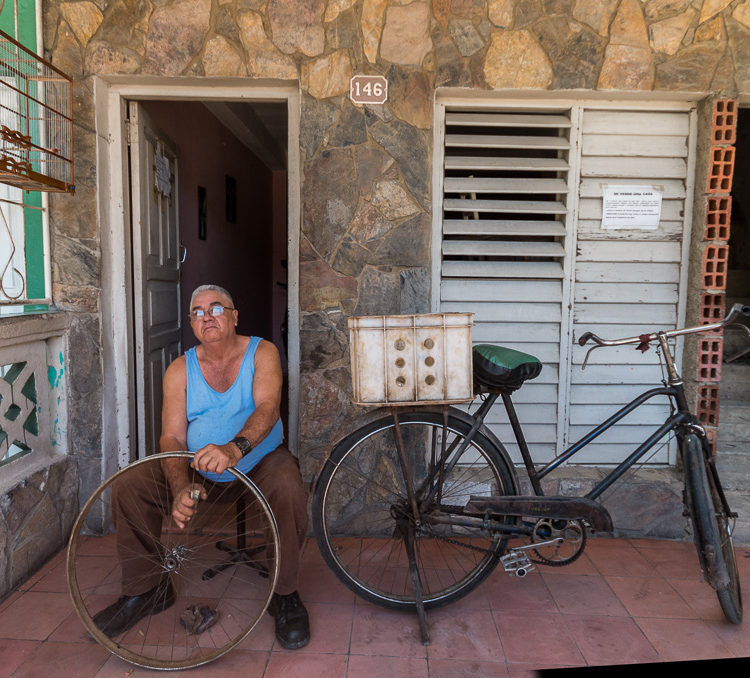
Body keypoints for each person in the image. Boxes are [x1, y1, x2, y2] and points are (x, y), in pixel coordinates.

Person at [92, 284, 310, 649]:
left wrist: (234, 448)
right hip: (198, 469)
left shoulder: (262, 351)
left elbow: (268, 408)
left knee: (287, 486)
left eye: (217, 308)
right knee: (131, 484)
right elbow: (172, 439)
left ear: (235, 316)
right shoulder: (180, 369)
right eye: (198, 311)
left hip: (257, 462)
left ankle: (284, 594)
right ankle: (147, 590)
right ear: (192, 324)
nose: (207, 316)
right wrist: (179, 486)